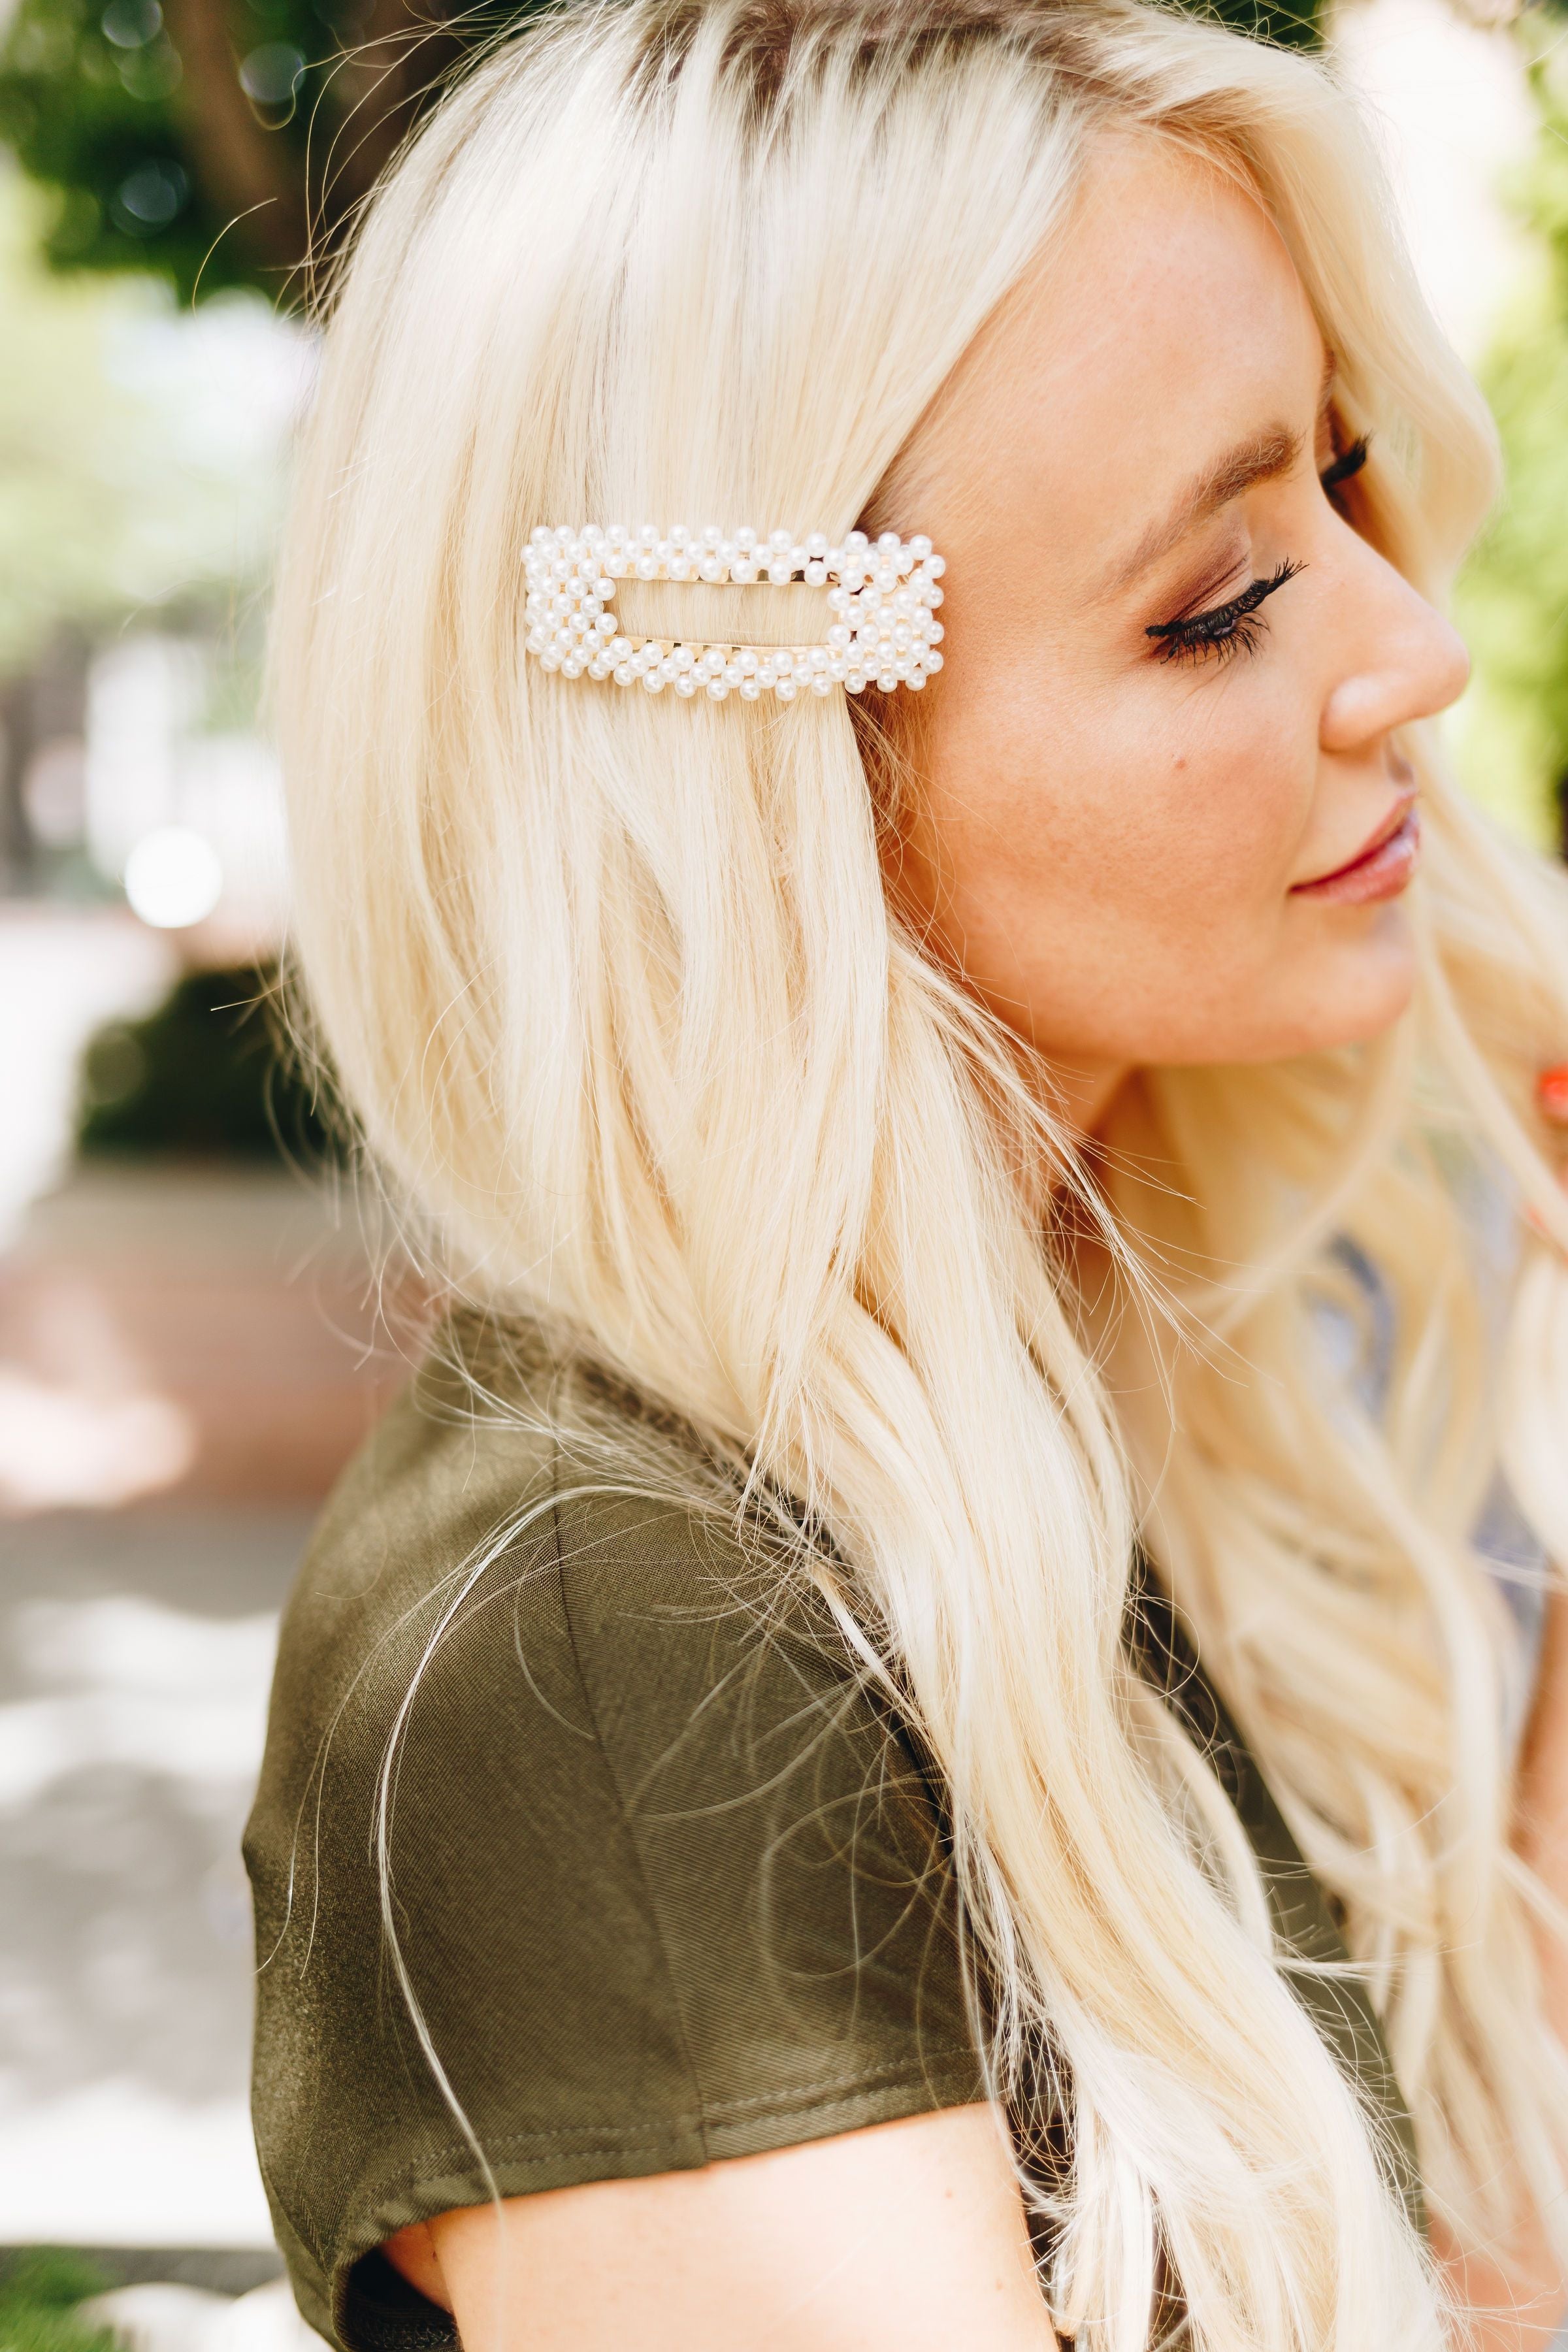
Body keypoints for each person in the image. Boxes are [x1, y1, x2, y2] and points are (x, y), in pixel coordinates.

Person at [244, 2, 1568, 2345]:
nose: (1410, 653)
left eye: (1348, 486)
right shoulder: (621, 1655)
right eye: (1217, 600)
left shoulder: (1037, 1425)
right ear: (768, 777)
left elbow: (1461, 2274)